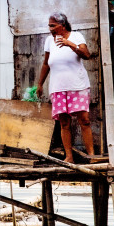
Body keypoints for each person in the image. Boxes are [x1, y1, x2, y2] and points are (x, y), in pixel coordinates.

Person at [35, 11, 94, 163]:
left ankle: (92, 156)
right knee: (64, 123)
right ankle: (69, 156)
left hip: (77, 85)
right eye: (49, 26)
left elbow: (87, 55)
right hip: (58, 87)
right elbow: (46, 63)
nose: (50, 29)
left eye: (53, 26)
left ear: (62, 25)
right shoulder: (49, 41)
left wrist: (70, 45)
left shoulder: (76, 36)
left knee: (84, 120)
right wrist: (40, 84)